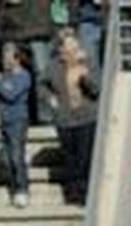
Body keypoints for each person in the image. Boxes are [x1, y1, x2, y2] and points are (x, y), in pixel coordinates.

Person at [45, 29, 97, 206]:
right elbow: (42, 84)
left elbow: (96, 90)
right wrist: (49, 98)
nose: (72, 53)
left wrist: (84, 76)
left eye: (75, 48)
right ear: (61, 52)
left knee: (85, 158)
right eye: (68, 50)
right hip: (65, 120)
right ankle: (72, 192)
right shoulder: (53, 66)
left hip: (86, 118)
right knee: (70, 158)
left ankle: (84, 193)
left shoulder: (88, 63)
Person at [0, 43, 31, 209]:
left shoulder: (24, 76)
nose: (4, 60)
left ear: (17, 58)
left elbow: (11, 94)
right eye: (3, 56)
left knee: (16, 156)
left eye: (8, 56)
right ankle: (14, 189)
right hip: (4, 121)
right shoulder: (4, 76)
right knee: (8, 159)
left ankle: (22, 189)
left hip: (18, 121)